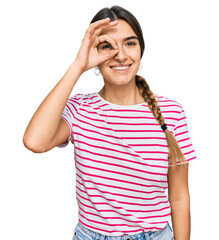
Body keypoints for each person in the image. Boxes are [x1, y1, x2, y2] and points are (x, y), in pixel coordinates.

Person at [23, 5, 196, 240]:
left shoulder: (171, 112)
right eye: (107, 46)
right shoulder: (79, 110)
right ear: (93, 53)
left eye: (130, 43)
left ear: (141, 49)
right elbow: (35, 141)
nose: (121, 55)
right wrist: (78, 66)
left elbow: (179, 196)